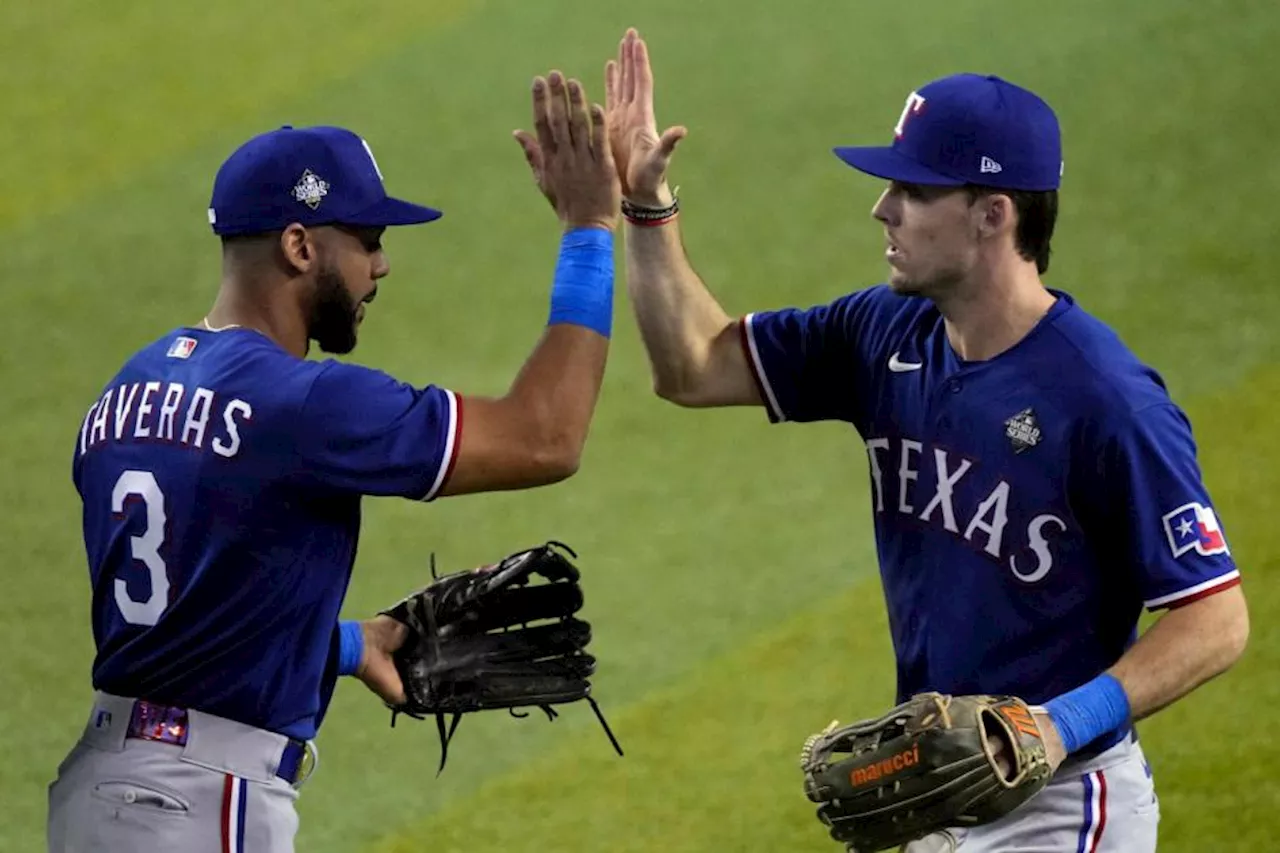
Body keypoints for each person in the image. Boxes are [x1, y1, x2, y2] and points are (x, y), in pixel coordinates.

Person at [604, 27, 1249, 852]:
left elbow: (1216, 616)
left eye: (911, 189)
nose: (882, 207)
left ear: (992, 214)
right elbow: (691, 368)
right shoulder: (886, 330)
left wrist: (1054, 726)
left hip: (1061, 808)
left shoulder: (1105, 398)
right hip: (935, 792)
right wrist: (647, 210)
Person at [48, 69, 620, 853]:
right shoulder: (303, 401)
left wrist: (351, 645)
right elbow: (547, 436)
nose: (380, 267)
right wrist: (590, 227)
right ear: (298, 245)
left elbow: (187, 612)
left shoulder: (129, 387)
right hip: (197, 805)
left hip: (99, 790)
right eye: (369, 241)